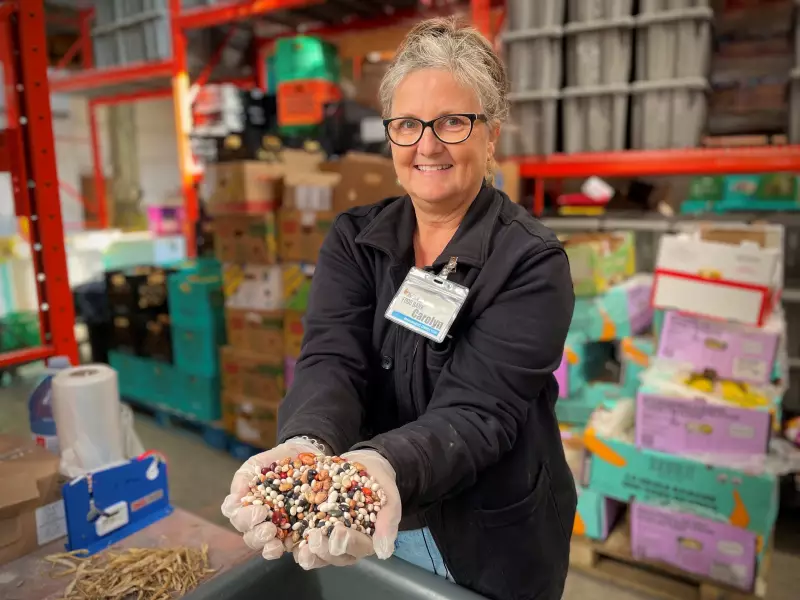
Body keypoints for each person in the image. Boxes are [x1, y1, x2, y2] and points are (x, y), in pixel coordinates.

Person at [222, 17, 576, 600]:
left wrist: (379, 472)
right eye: (408, 125)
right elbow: (332, 359)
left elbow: (480, 409)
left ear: (491, 136)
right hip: (368, 523)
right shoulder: (356, 239)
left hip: (489, 537)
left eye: (453, 123)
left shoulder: (530, 262)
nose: (427, 145)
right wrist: (306, 443)